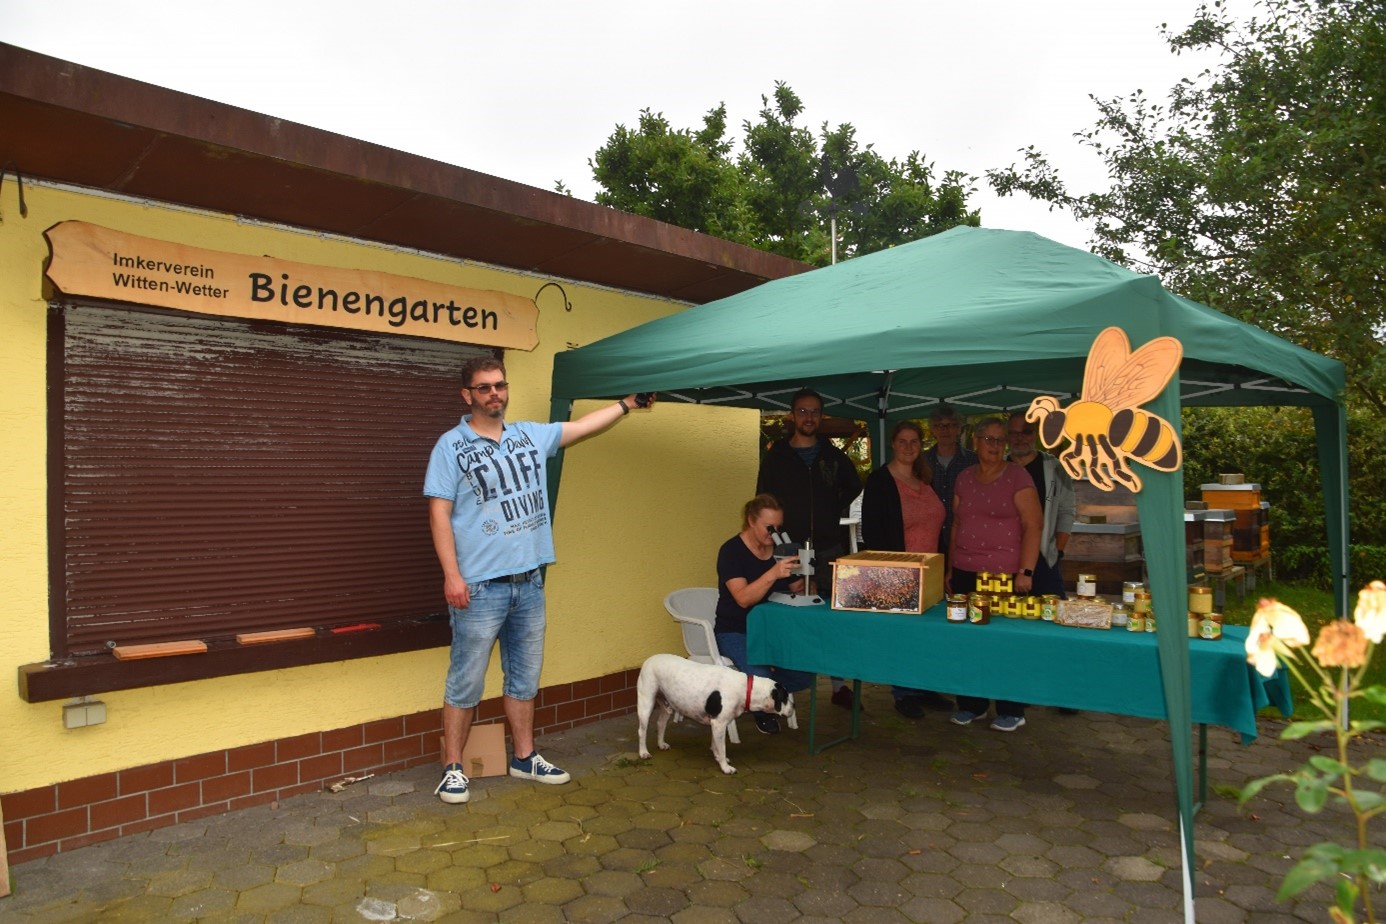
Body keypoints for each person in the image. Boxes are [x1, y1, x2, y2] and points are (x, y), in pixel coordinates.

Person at [424, 356, 653, 804]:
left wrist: (626, 404)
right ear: (467, 395)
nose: (495, 393)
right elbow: (439, 513)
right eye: (484, 387)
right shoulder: (450, 446)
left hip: (529, 583)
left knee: (524, 677)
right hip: (480, 587)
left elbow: (583, 428)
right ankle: (453, 767)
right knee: (466, 681)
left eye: (500, 385)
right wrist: (452, 576)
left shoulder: (529, 435)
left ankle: (525, 757)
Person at [756, 388, 863, 710]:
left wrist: (832, 514)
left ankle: (839, 685)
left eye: (815, 411)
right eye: (802, 411)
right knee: (795, 619)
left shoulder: (833, 456)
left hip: (830, 550)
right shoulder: (776, 457)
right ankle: (786, 683)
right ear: (792, 416)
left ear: (822, 416)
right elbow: (764, 502)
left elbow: (855, 490)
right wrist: (782, 544)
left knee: (834, 618)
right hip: (790, 551)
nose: (809, 417)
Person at [947, 418, 1042, 733]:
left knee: (1005, 642)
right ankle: (971, 705)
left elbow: (1034, 526)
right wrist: (950, 568)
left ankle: (1011, 708)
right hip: (964, 571)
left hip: (1003, 574)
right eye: (988, 438)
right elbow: (957, 524)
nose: (994, 444)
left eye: (1000, 440)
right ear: (976, 441)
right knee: (967, 642)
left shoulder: (1018, 476)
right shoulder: (963, 477)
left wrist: (1025, 572)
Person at [860, 421, 947, 719]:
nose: (908, 447)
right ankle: (904, 693)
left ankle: (924, 687)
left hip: (932, 573)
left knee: (928, 635)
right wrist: (892, 573)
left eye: (914, 442)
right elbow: (871, 532)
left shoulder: (925, 480)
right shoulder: (880, 481)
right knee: (903, 636)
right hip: (900, 573)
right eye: (902, 441)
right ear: (893, 445)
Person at [714, 494, 816, 734]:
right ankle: (761, 704)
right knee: (760, 676)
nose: (774, 533)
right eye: (768, 527)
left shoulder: (780, 549)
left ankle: (760, 693)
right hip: (735, 630)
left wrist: (808, 573)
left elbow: (799, 590)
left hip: (774, 630)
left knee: (804, 675)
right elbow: (743, 599)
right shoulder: (731, 551)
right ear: (751, 520)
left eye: (779, 528)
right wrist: (773, 573)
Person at [1006, 411, 1075, 597]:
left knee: (1051, 616)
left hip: (1044, 558)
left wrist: (1057, 550)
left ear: (1036, 434)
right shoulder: (998, 467)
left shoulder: (1056, 468)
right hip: (1005, 559)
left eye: (1026, 432)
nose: (1020, 438)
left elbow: (1067, 511)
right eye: (1014, 433)